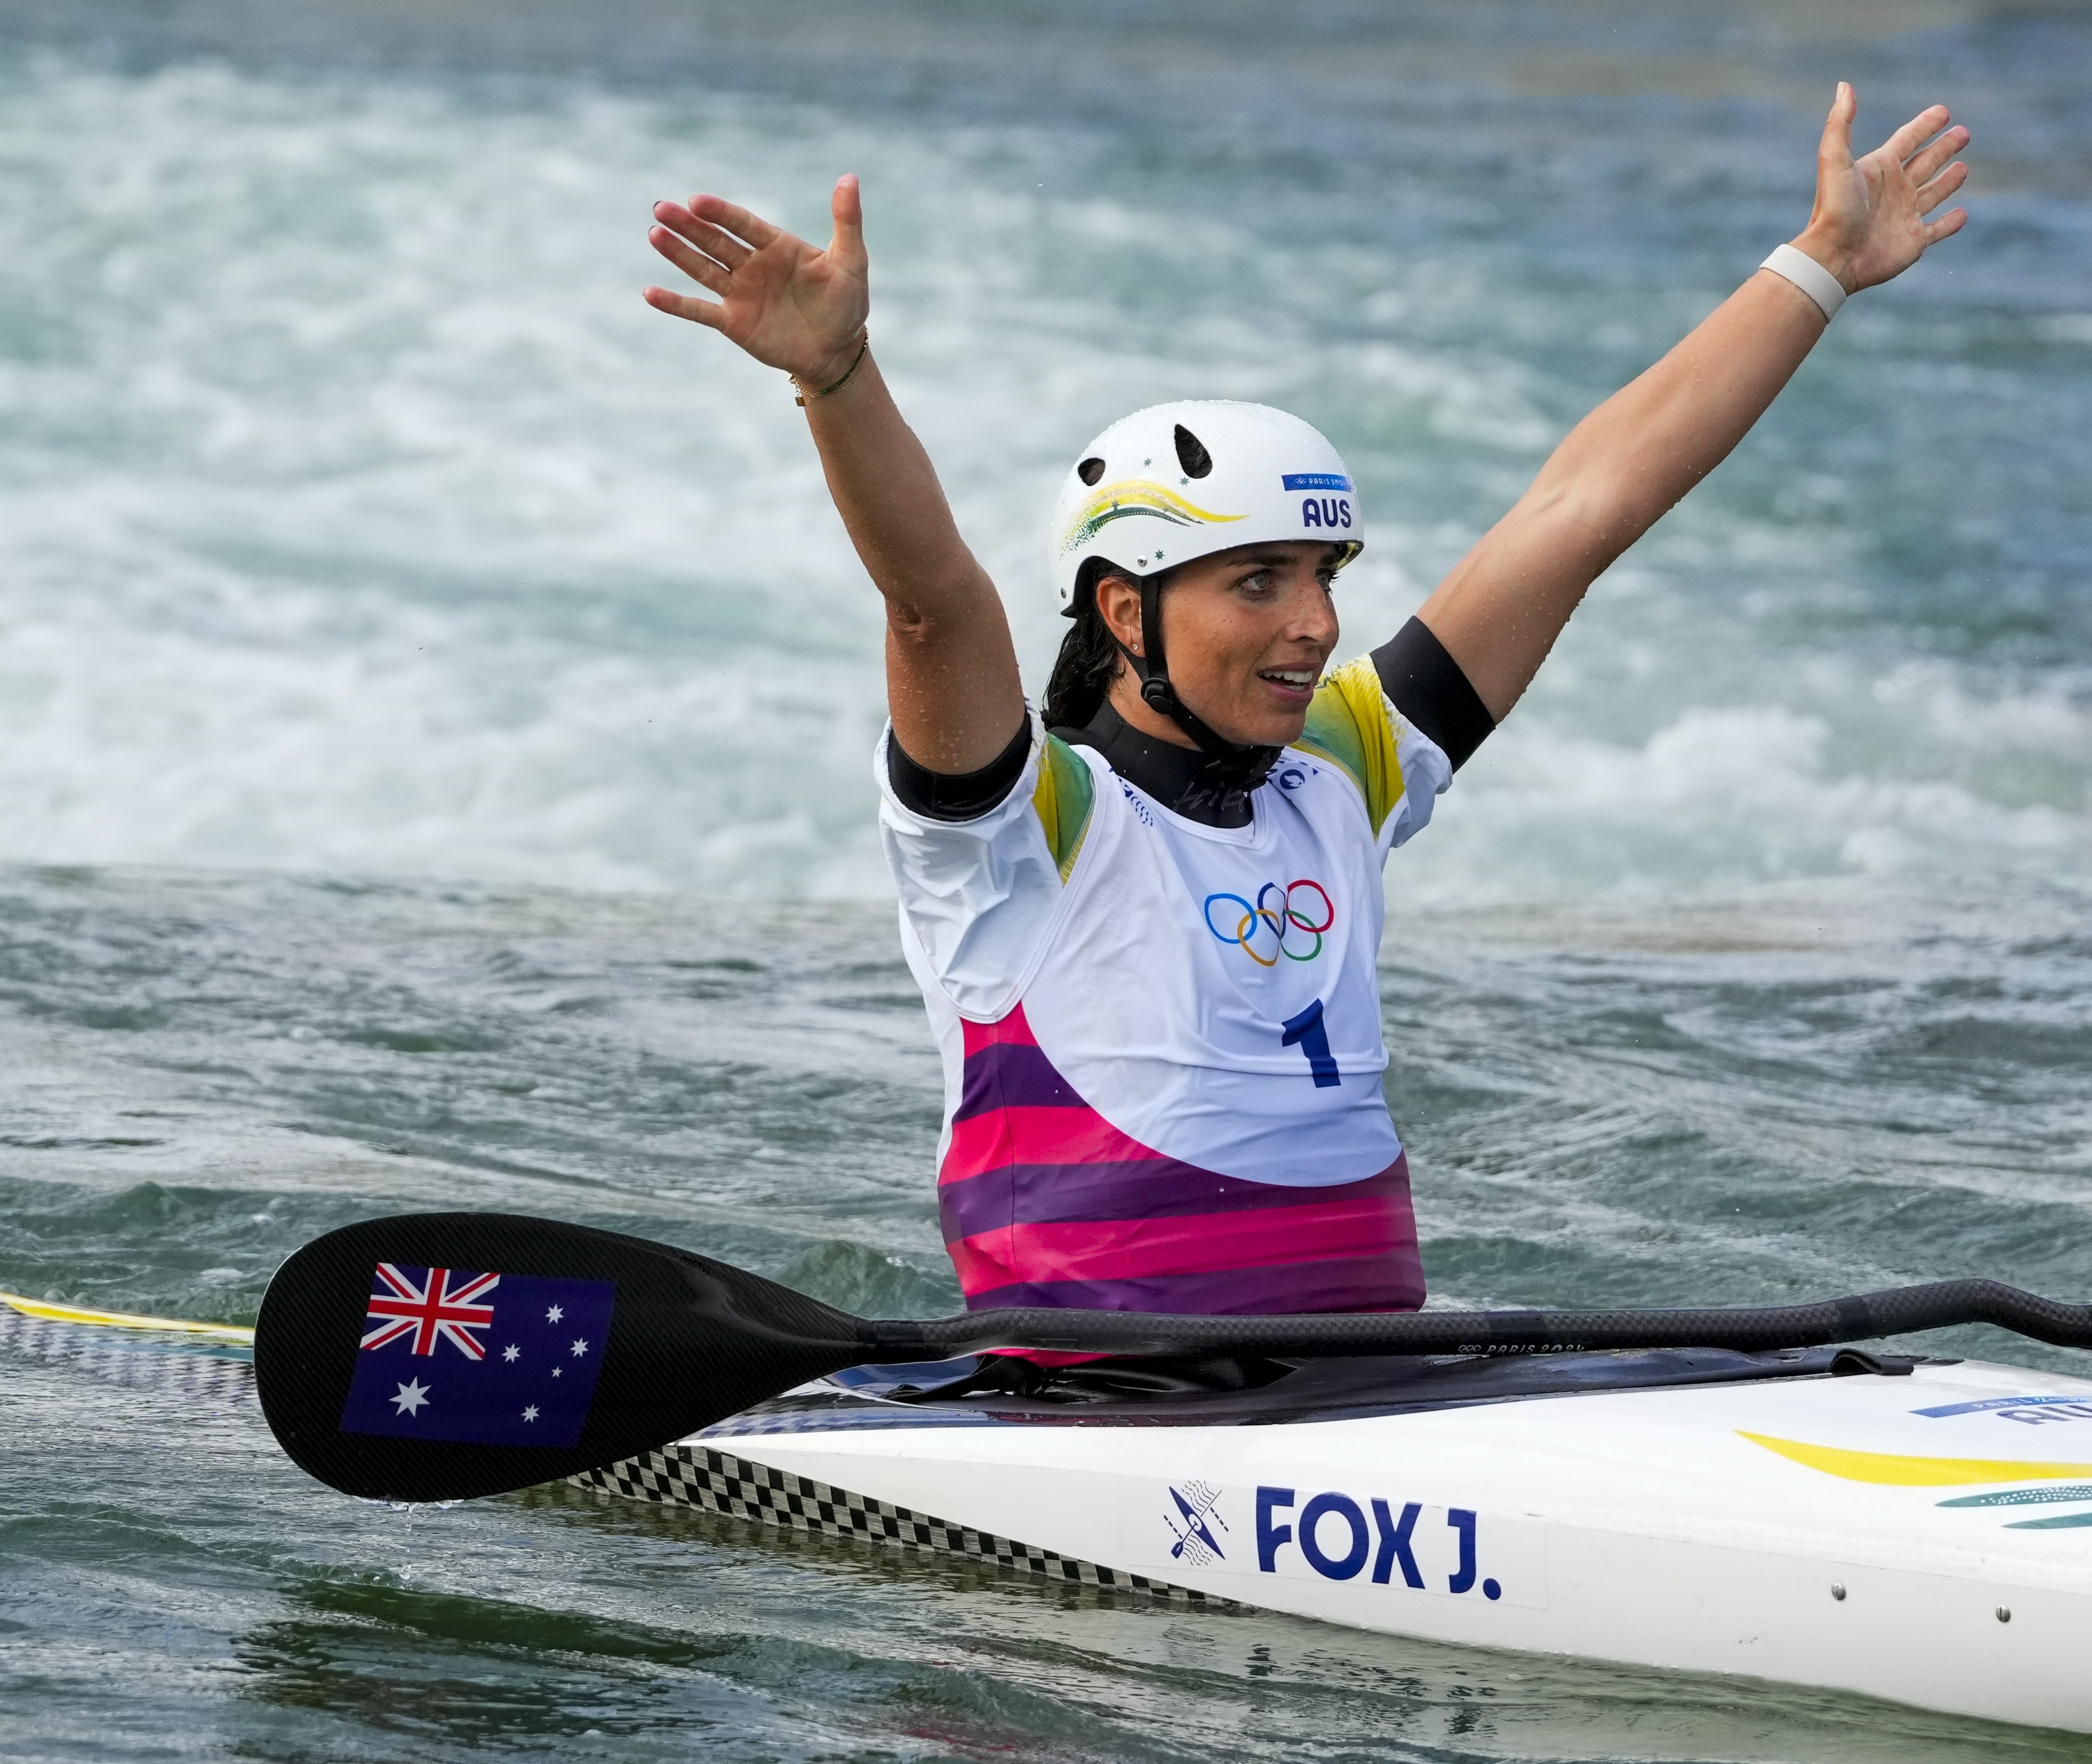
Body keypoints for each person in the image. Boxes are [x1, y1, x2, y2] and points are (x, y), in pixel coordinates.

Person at [643, 85, 1969, 1387]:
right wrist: (840, 374)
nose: (1318, 625)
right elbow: (934, 603)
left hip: (1379, 1385)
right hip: (1102, 1406)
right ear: (1125, 609)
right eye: (1261, 581)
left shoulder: (1345, 769)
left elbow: (1584, 506)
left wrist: (1819, 269)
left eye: (1326, 577)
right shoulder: (1018, 828)